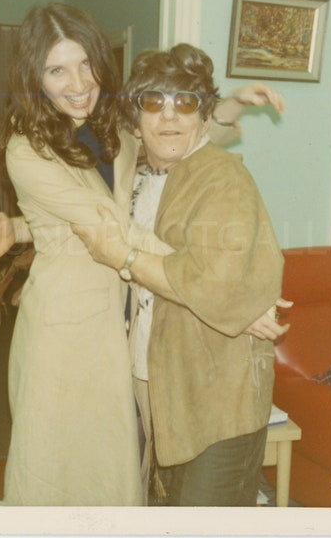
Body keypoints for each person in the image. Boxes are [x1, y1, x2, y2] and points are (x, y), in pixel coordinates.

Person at [0, 2, 288, 506]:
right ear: (34, 79)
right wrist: (222, 288)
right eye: (57, 70)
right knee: (55, 472)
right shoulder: (25, 147)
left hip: (117, 327)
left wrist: (230, 104)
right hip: (64, 328)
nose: (77, 83)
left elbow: (179, 138)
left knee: (112, 477)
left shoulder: (112, 130)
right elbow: (112, 224)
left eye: (85, 64)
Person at [71, 43, 285, 506]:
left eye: (185, 103)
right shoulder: (144, 174)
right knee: (164, 505)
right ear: (136, 119)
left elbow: (212, 279)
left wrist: (124, 258)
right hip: (156, 377)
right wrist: (16, 227)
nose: (169, 115)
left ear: (202, 118)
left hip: (217, 392)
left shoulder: (222, 178)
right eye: (154, 102)